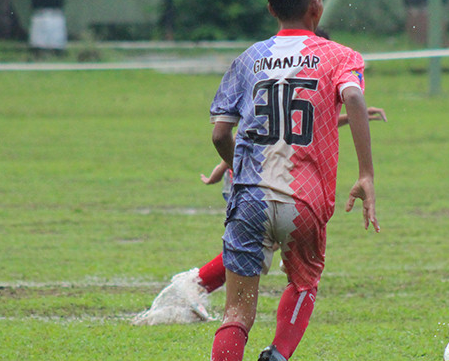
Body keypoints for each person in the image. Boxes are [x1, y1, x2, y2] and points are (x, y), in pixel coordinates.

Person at [196, 0, 379, 361]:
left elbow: (221, 131)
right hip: (304, 203)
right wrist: (365, 174)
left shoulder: (249, 58)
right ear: (317, 7)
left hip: (251, 199)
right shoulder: (339, 55)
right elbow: (352, 100)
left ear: (270, 7)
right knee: (304, 281)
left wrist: (234, 162)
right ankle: (278, 357)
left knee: (237, 313)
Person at [133, 106, 386, 326]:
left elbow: (310, 125)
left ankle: (200, 284)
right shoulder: (277, 100)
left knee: (265, 238)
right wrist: (223, 169)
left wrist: (356, 116)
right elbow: (245, 138)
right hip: (250, 179)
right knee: (263, 237)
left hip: (256, 177)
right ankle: (196, 283)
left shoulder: (283, 102)